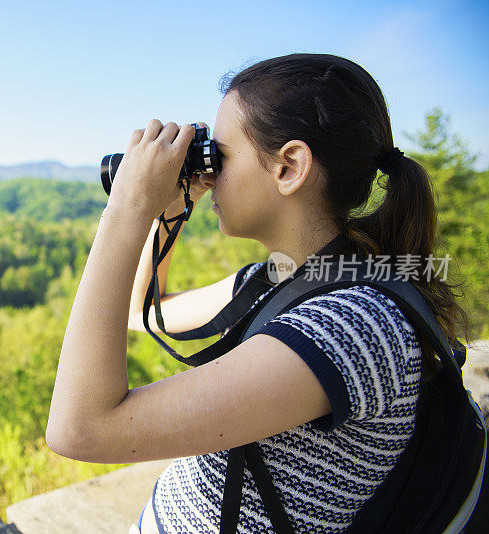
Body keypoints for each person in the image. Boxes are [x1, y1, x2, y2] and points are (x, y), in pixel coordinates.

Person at [46, 53, 470, 533]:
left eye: (220, 155)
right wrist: (161, 212)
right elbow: (142, 312)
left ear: (289, 166)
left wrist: (126, 206)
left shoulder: (351, 323)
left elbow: (79, 429)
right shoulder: (286, 277)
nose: (208, 172)